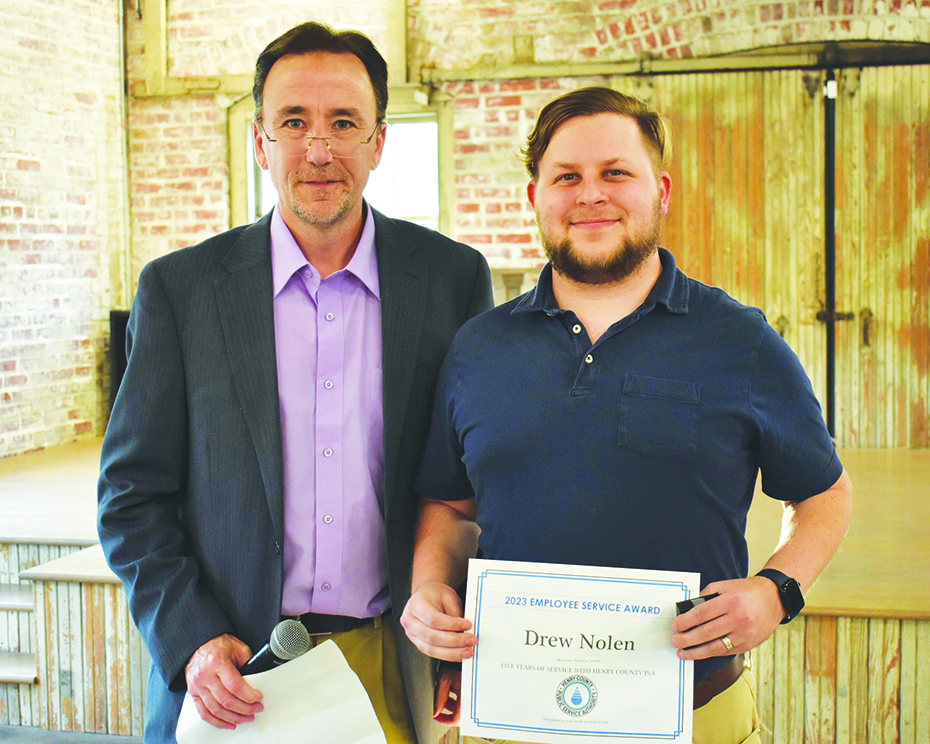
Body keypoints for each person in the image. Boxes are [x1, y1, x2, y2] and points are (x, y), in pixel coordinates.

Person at [400, 86, 852, 744]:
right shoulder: (478, 350)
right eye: (567, 177)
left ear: (660, 190)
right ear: (535, 198)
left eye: (615, 172)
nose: (591, 194)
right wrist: (427, 588)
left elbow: (825, 494)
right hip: (509, 715)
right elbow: (449, 504)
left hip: (695, 716)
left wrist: (777, 589)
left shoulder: (739, 341)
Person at [98, 21, 492, 744]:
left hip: (393, 659)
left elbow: (472, 477)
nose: (318, 149)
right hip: (238, 669)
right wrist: (190, 636)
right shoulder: (180, 293)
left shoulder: (451, 279)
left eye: (344, 122)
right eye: (293, 122)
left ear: (379, 142)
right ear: (260, 141)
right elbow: (131, 497)